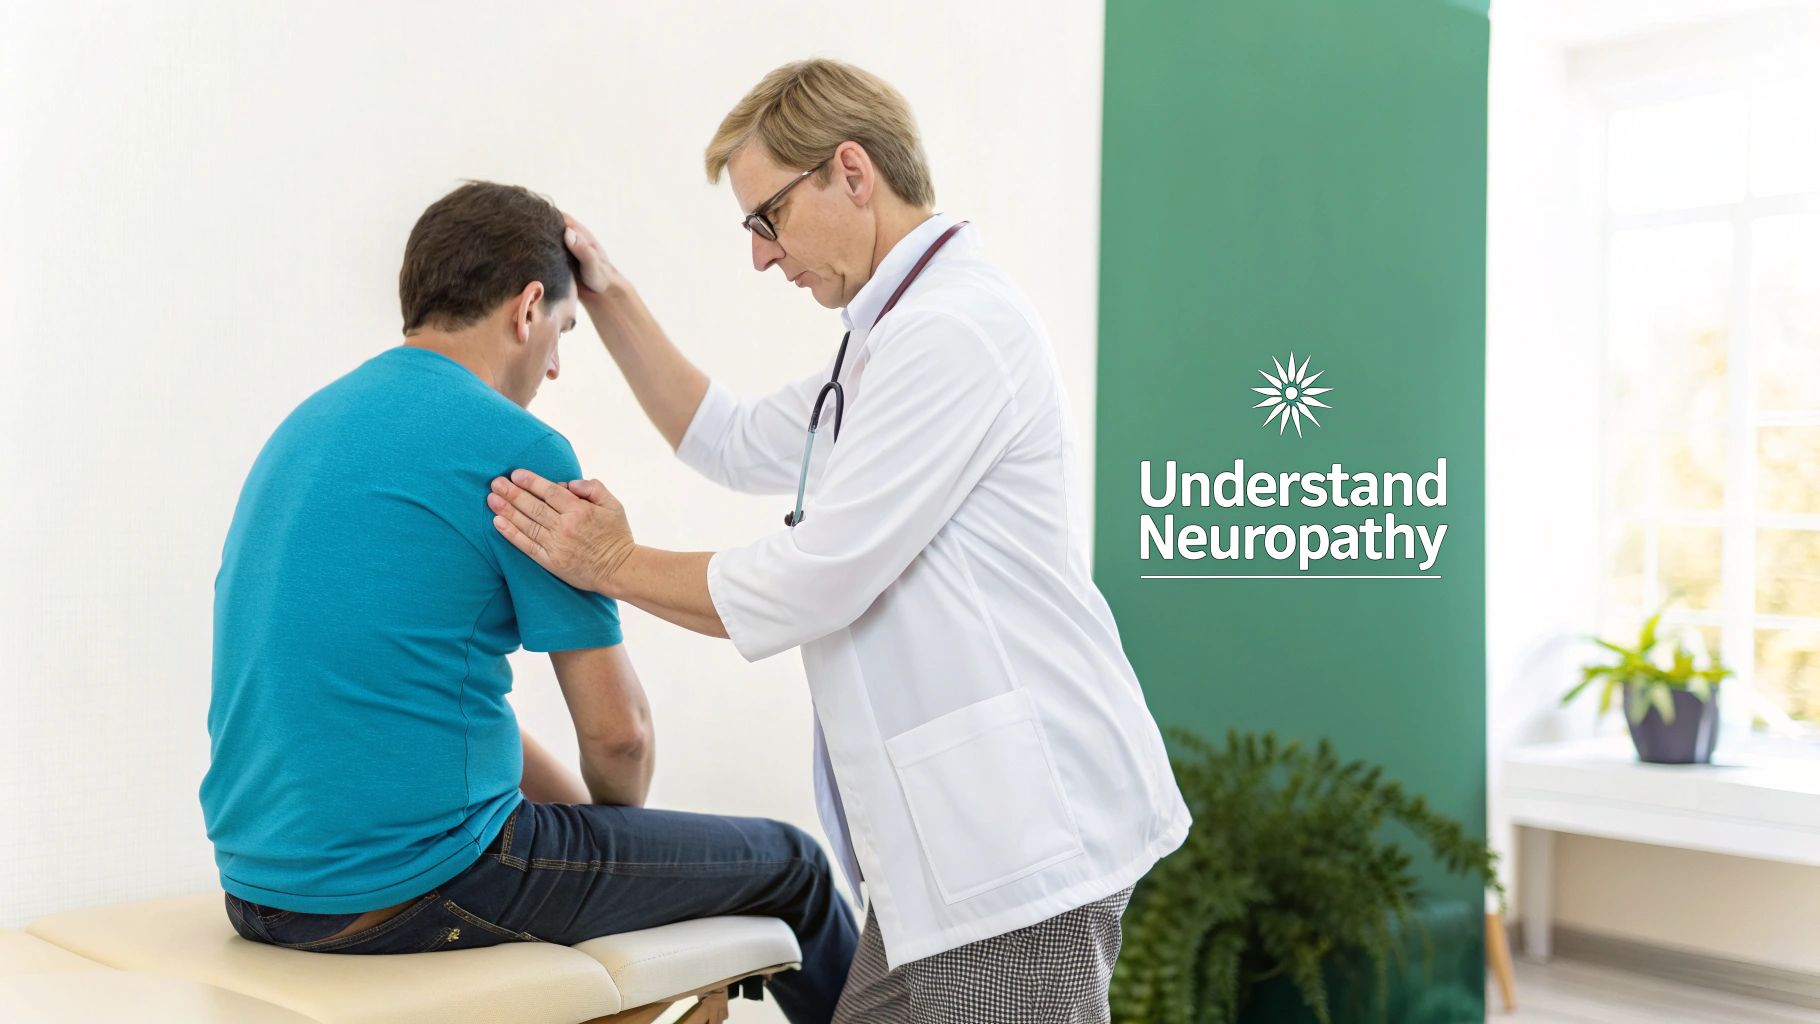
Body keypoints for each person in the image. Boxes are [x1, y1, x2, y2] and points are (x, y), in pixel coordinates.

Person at [484, 61, 1191, 1023]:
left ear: (850, 172)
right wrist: (606, 296)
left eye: (765, 218)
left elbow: (817, 579)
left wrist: (610, 562)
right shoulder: (884, 342)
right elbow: (726, 438)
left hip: (1013, 845)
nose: (764, 258)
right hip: (942, 863)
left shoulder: (956, 335)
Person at [199, 181, 856, 1023]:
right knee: (794, 865)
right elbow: (621, 739)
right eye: (562, 336)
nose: (553, 367)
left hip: (260, 894)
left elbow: (399, 703)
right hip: (411, 892)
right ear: (528, 308)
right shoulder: (518, 451)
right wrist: (617, 847)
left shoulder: (304, 431)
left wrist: (587, 841)